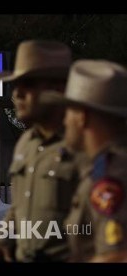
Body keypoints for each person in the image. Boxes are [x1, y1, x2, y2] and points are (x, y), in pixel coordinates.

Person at [0, 40, 85, 262]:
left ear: (57, 90)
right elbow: (18, 206)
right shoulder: (26, 142)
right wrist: (0, 243)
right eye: (15, 85)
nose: (17, 94)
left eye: (28, 84)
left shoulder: (85, 145)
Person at [39, 59, 127, 262]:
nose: (64, 121)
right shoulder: (105, 167)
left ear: (81, 117)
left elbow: (116, 256)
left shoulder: (109, 177)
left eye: (68, 112)